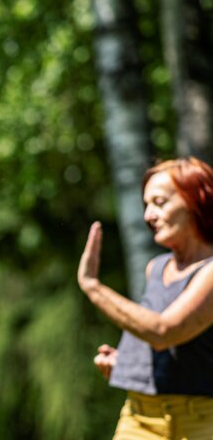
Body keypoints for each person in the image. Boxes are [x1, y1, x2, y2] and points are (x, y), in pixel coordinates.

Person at [78, 157, 213, 438]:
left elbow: (165, 331)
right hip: (139, 418)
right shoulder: (157, 267)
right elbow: (169, 346)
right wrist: (128, 361)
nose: (148, 215)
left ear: (196, 200)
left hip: (201, 422)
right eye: (146, 205)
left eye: (159, 202)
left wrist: (93, 287)